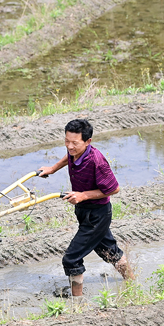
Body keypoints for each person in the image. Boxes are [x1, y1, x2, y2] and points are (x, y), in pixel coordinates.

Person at [37, 118, 134, 298]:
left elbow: (114, 189)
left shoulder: (97, 161)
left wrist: (83, 195)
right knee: (109, 251)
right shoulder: (75, 151)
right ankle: (132, 282)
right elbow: (70, 156)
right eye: (67, 141)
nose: (70, 146)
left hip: (97, 215)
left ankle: (77, 303)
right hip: (84, 211)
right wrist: (53, 168)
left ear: (88, 142)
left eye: (75, 143)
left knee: (71, 258)